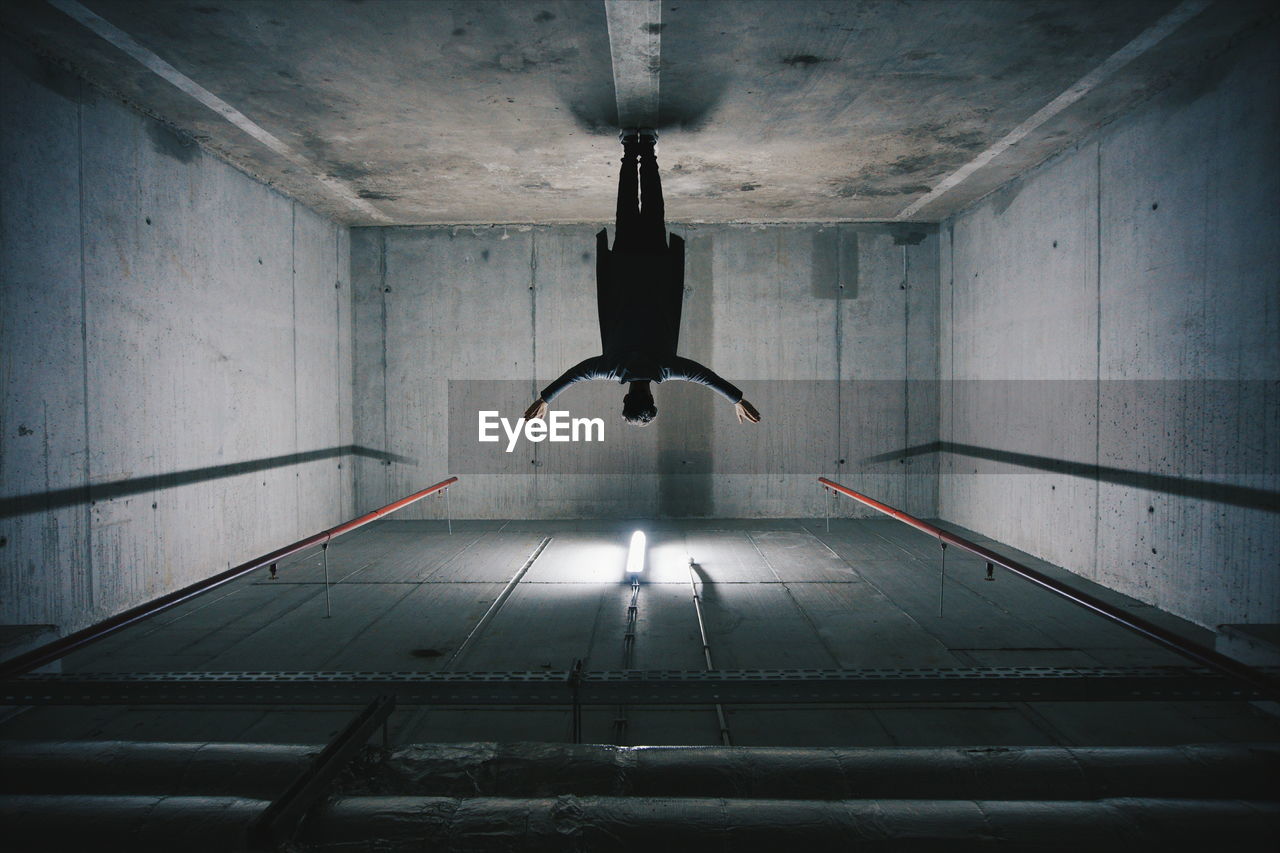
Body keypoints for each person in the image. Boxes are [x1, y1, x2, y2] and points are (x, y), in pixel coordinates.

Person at [524, 129, 761, 427]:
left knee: (652, 207)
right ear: (625, 399)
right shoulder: (609, 368)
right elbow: (574, 375)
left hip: (657, 265)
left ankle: (646, 147)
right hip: (623, 265)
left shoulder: (668, 367)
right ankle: (629, 147)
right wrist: (544, 399)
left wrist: (738, 399)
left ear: (651, 399)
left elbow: (705, 377)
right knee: (626, 209)